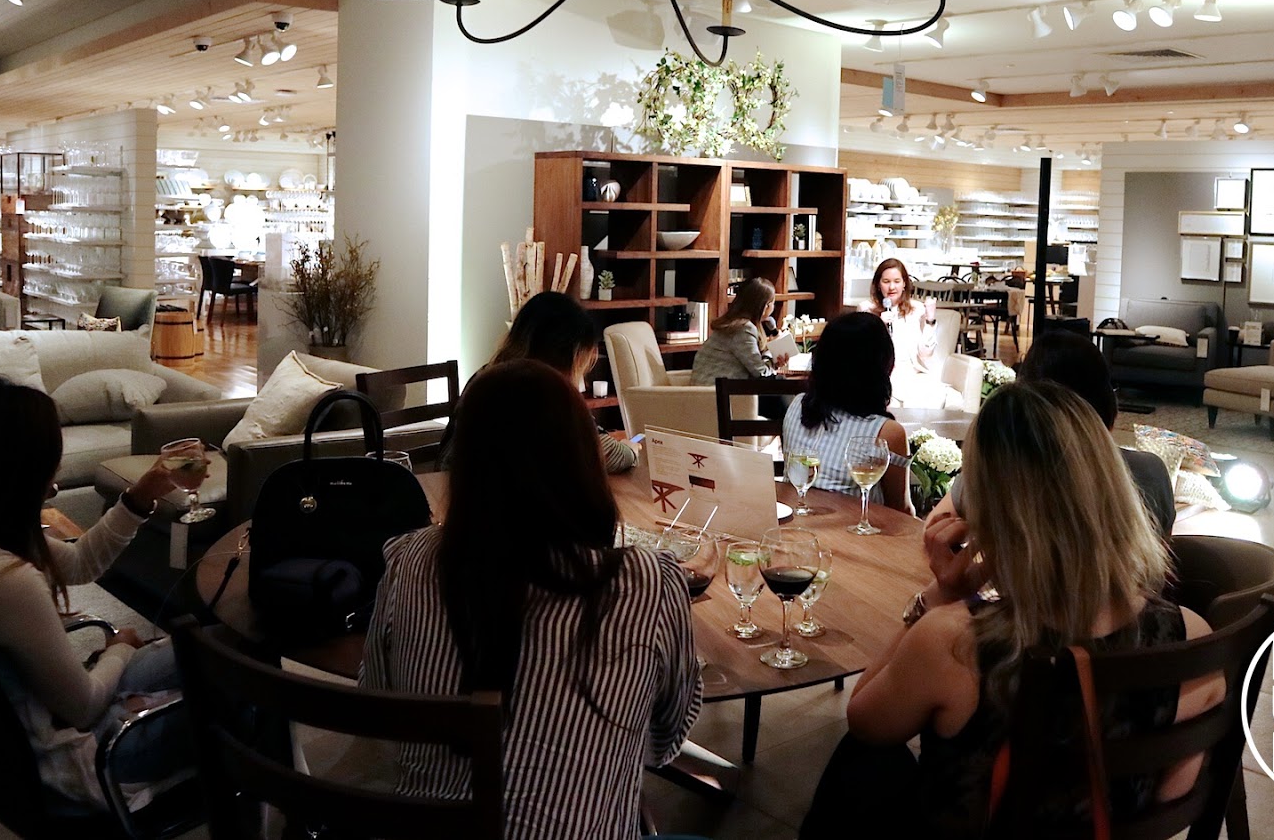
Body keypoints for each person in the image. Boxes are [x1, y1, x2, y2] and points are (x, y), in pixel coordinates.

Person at [805, 382, 1219, 836]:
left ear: (991, 506)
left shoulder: (955, 641)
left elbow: (865, 721)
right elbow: (1166, 806)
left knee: (863, 763)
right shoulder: (1192, 639)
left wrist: (936, 596)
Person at [362, 360, 702, 840]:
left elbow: (379, 704)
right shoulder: (649, 583)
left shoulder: (410, 560)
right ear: (583, 461)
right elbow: (663, 744)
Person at [0, 379, 192, 810]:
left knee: (207, 650)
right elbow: (85, 706)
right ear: (21, 472)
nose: (54, 476)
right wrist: (117, 648)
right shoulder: (5, 582)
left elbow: (80, 564)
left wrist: (138, 499)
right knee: (241, 688)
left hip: (32, 721)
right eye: (49, 462)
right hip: (76, 756)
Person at [943, 330, 1175, 538]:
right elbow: (1160, 576)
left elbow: (935, 528)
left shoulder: (993, 475)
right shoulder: (1150, 472)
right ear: (1106, 401)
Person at [470, 291, 636, 473]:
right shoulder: (544, 391)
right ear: (566, 356)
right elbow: (607, 454)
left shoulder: (484, 377)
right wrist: (631, 450)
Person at [780, 311, 911, 512]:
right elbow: (899, 510)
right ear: (882, 364)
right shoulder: (886, 433)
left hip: (794, 523)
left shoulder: (797, 406)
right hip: (855, 536)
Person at [689, 277, 790, 419]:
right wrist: (769, 353)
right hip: (717, 394)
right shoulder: (743, 329)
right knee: (777, 385)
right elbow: (760, 373)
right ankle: (789, 431)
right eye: (772, 303)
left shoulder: (734, 323)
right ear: (765, 306)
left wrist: (773, 361)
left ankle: (785, 430)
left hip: (714, 390)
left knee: (776, 385)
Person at [866, 258, 944, 408]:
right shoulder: (867, 311)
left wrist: (930, 320)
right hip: (883, 374)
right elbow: (865, 353)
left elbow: (925, 353)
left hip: (911, 372)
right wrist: (878, 326)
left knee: (932, 394)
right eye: (886, 281)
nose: (892, 287)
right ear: (877, 285)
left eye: (896, 281)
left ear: (904, 284)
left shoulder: (916, 310)